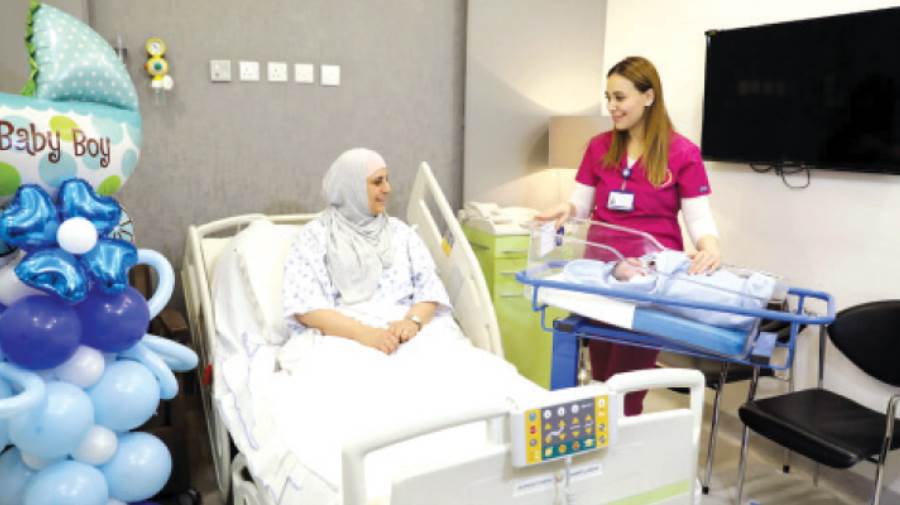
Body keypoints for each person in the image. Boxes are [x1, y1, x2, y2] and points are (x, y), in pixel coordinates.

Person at [537, 56, 721, 415]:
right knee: (602, 375)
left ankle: (622, 438)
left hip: (648, 280)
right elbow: (581, 203)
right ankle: (602, 442)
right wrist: (566, 210)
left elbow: (699, 218)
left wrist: (709, 247)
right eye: (608, 97)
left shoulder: (682, 153)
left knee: (628, 384)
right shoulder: (599, 147)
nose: (611, 107)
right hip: (602, 274)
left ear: (648, 97)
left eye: (620, 98)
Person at [282, 147, 451, 355]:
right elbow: (306, 307)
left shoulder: (401, 233)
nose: (388, 189)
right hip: (344, 336)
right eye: (377, 182)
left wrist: (412, 322)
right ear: (351, 187)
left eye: (387, 180)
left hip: (406, 333)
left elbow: (430, 287)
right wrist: (367, 334)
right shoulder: (315, 237)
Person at [563, 251, 780, 329]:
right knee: (714, 296)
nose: (636, 264)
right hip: (677, 288)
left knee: (719, 283)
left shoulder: (654, 262)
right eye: (631, 268)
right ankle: (747, 299)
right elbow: (644, 288)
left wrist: (660, 262)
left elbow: (670, 258)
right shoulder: (642, 284)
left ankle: (748, 292)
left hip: (685, 274)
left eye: (633, 261)